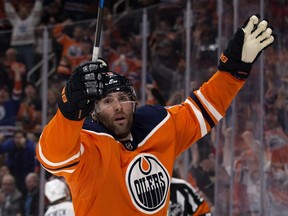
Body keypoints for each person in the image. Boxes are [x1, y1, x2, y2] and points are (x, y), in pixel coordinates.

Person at [36, 15, 274, 215]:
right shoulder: (88, 146)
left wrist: (233, 69)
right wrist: (68, 111)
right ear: (94, 112)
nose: (118, 106)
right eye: (107, 101)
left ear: (134, 103)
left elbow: (205, 107)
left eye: (122, 98)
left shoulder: (159, 127)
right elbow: (51, 156)